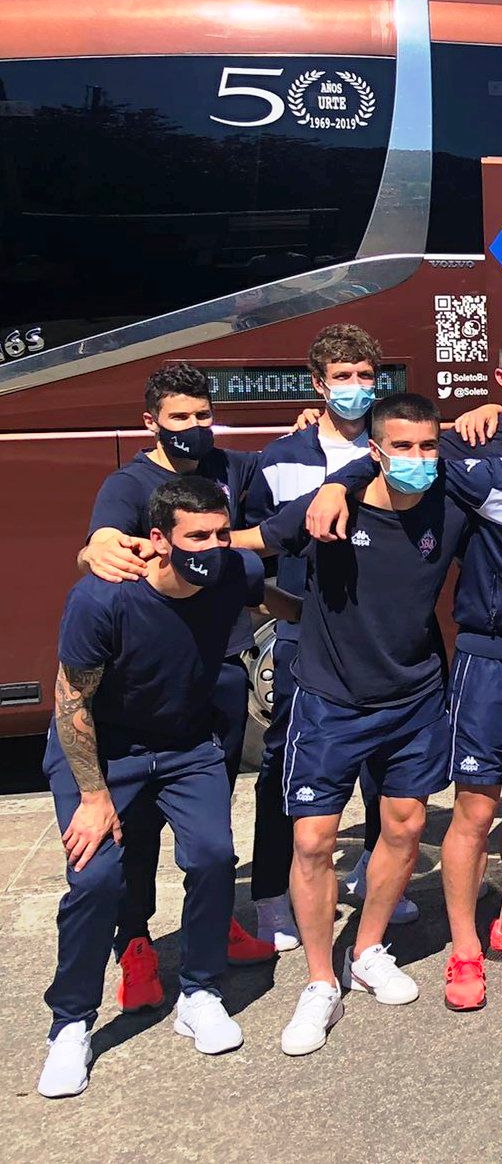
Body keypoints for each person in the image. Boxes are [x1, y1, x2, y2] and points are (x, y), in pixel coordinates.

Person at [307, 374, 502, 1009]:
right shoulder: (488, 474)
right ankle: (466, 950)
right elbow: (402, 459)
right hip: (491, 664)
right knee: (474, 812)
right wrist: (338, 481)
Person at [37, 477, 293, 1098]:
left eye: (220, 533)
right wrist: (95, 798)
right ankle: (70, 1025)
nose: (212, 545)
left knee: (211, 858)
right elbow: (71, 701)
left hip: (187, 748)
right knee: (95, 880)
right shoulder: (103, 598)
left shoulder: (232, 570)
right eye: (196, 536)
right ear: (158, 540)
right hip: (103, 753)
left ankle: (200, 993)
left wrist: (342, 631)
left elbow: (275, 600)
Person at [245, 393, 470, 1056]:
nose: (417, 459)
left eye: (428, 446)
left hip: (414, 696)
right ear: (375, 450)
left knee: (402, 829)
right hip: (329, 699)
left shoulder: (451, 504)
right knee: (312, 842)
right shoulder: (326, 508)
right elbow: (249, 544)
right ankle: (320, 982)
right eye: (402, 447)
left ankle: (368, 948)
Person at [72, 363, 275, 1004]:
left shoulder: (231, 467)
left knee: (208, 825)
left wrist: (309, 422)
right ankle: (134, 943)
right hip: (155, 670)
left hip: (218, 667)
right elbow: (100, 542)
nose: (193, 427)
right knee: (138, 831)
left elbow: (272, 528)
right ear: (151, 421)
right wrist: (95, 550)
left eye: (202, 414)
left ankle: (210, 932)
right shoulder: (130, 482)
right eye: (179, 417)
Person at [239, 323, 390, 949]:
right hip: (306, 640)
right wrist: (281, 614)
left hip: (379, 637)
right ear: (318, 384)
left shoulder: (395, 450)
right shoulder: (280, 460)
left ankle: (381, 880)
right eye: (342, 377)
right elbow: (254, 554)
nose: (355, 388)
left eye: (364, 376)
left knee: (386, 767)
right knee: (284, 766)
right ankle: (272, 894)